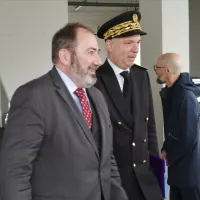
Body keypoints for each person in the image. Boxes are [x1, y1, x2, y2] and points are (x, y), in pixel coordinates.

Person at [0, 23, 128, 200]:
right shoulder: (33, 96)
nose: (98, 61)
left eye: (97, 52)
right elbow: (15, 171)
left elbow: (107, 159)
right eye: (91, 52)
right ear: (65, 56)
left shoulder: (97, 96)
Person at [95, 10, 162, 200]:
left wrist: (156, 172)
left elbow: (150, 129)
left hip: (145, 179)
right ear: (109, 45)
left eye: (138, 43)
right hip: (114, 182)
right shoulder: (94, 81)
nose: (136, 49)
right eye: (128, 43)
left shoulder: (142, 76)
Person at [155, 53, 200, 200]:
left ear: (166, 70)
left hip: (189, 175)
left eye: (157, 68)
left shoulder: (186, 98)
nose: (156, 71)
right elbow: (172, 131)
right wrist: (165, 149)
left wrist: (170, 157)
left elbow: (188, 138)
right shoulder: (173, 94)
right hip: (178, 173)